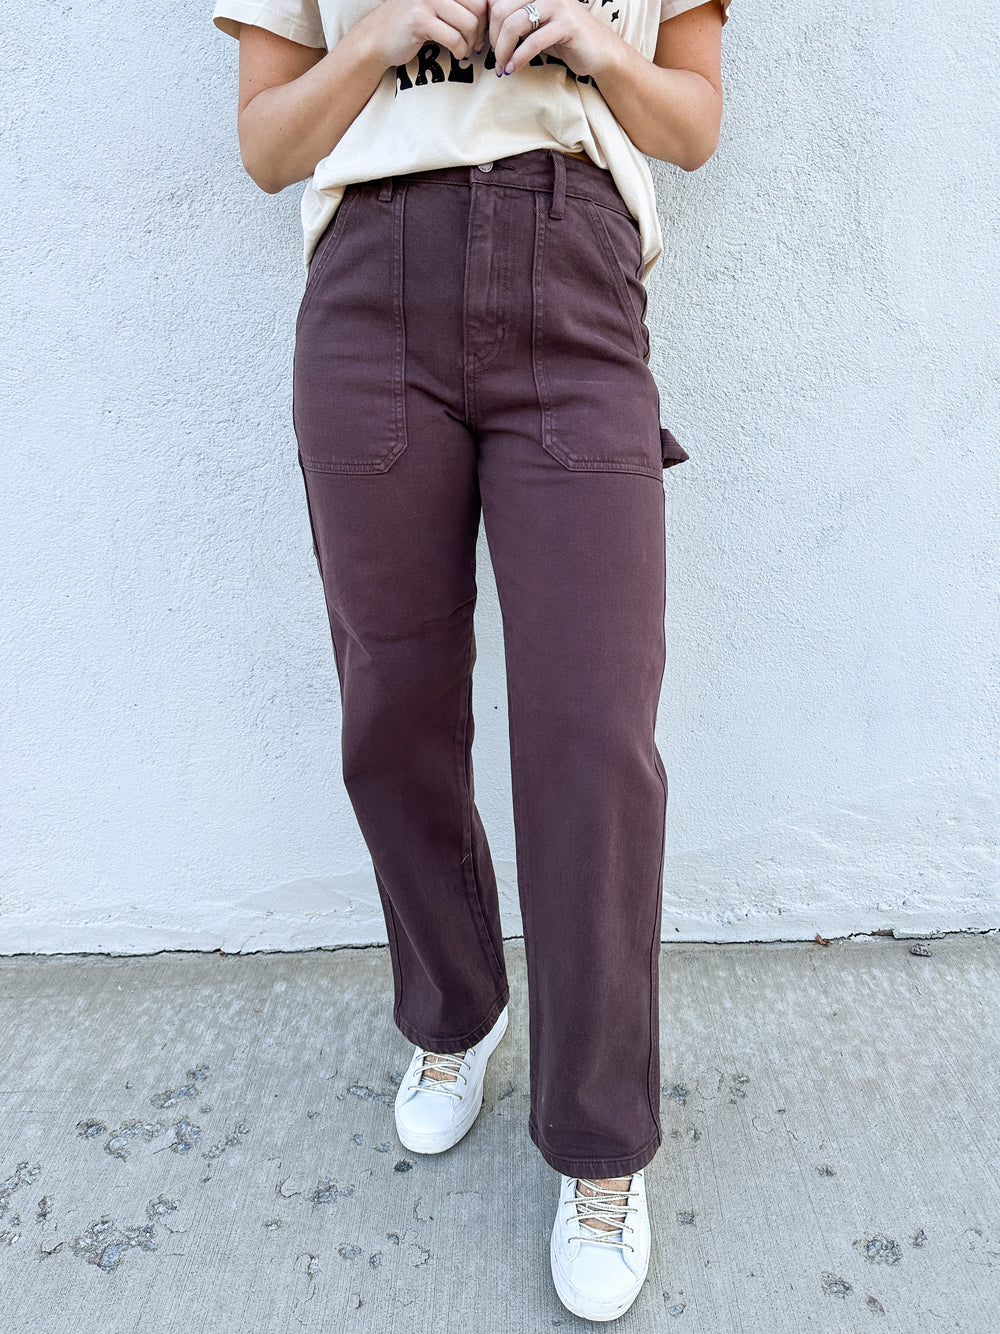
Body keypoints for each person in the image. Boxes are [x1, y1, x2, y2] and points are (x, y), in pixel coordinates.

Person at [211, 0, 729, 1319]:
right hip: (370, 292)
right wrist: (371, 44)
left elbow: (695, 125)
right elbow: (267, 147)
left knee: (594, 729)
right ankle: (455, 1011)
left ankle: (601, 1141)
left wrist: (602, 48)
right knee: (392, 703)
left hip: (577, 278)